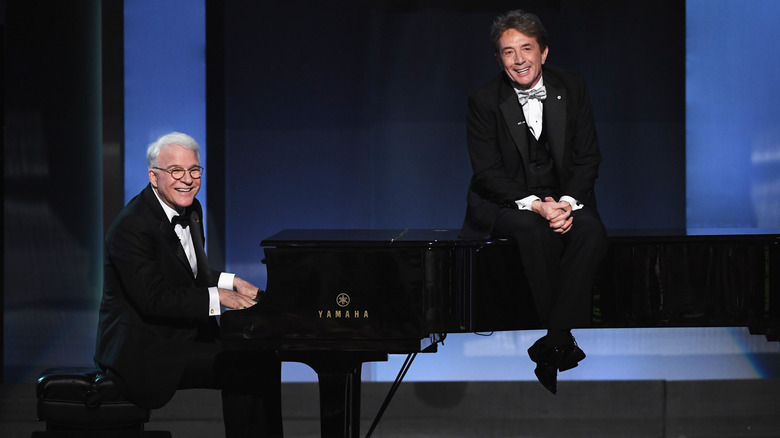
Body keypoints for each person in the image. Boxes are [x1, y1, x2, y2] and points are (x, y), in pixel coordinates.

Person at [95, 132, 283, 436]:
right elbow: (153, 299)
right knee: (248, 365)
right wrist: (219, 297)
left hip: (180, 334)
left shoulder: (191, 210)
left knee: (262, 353)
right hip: (145, 349)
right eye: (176, 171)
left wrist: (231, 281)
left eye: (194, 170)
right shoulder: (131, 227)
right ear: (153, 177)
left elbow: (190, 273)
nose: (188, 179)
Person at [461, 10, 608, 394]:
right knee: (531, 229)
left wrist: (566, 203)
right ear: (499, 60)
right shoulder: (483, 101)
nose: (519, 59)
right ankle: (558, 339)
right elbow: (487, 174)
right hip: (505, 202)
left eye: (527, 48)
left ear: (544, 52)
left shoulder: (572, 87)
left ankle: (554, 339)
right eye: (508, 52)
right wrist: (537, 205)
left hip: (561, 199)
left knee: (591, 229)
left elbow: (588, 157)